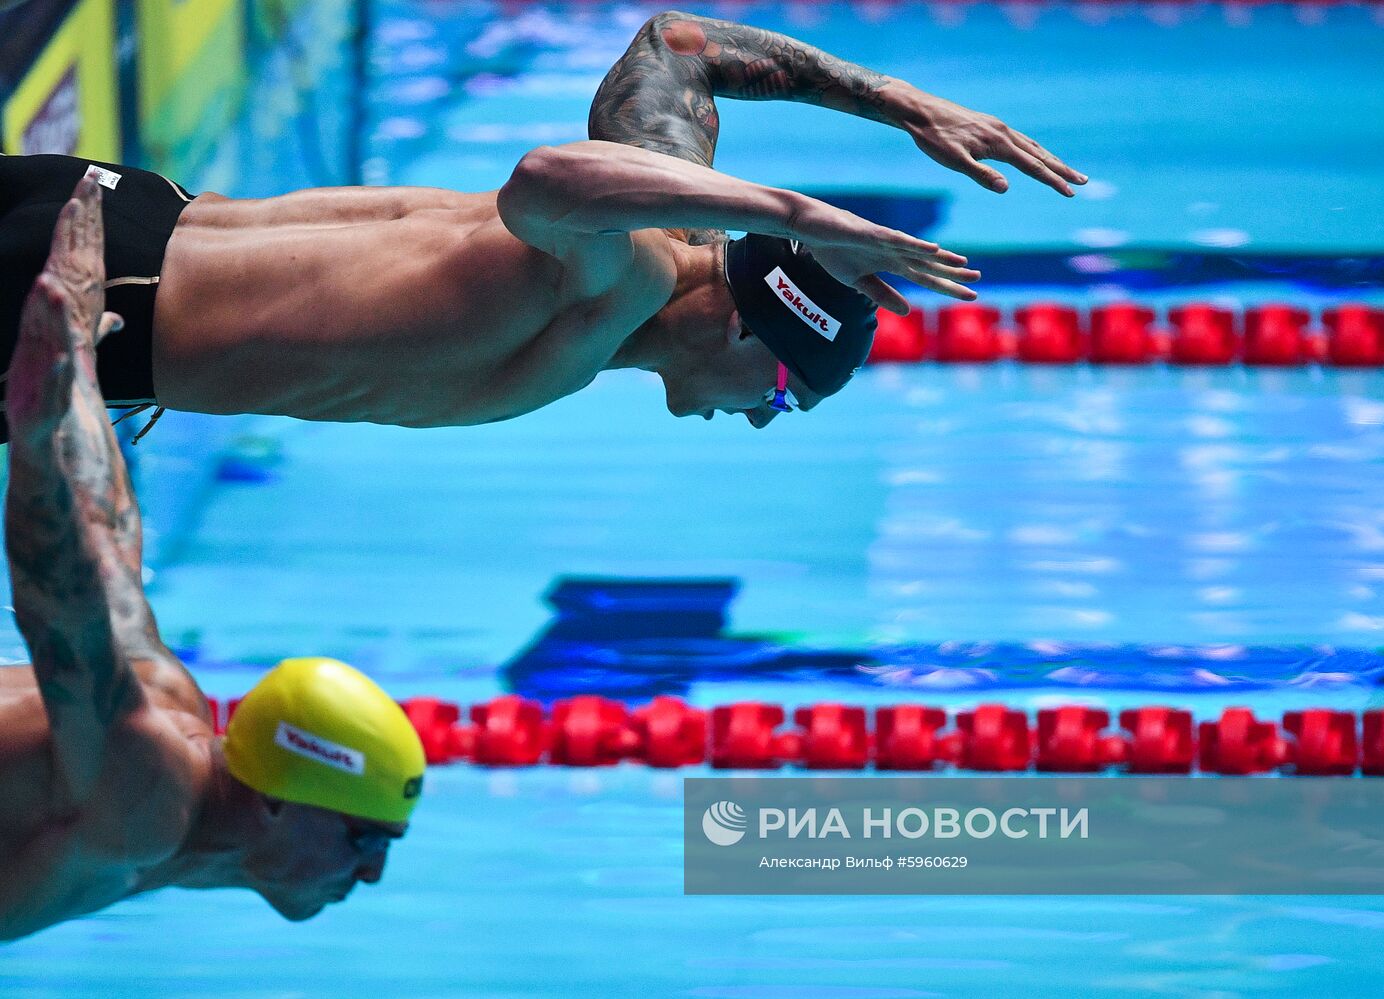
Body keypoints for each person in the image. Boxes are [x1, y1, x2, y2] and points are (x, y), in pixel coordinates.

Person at [0, 12, 1085, 444]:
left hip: (112, 208)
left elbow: (680, 48)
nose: (761, 418)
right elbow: (542, 179)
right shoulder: (619, 283)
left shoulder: (655, 218)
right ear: (753, 331)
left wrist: (899, 102)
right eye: (785, 392)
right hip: (62, 305)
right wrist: (795, 209)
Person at [0, 178, 427, 941]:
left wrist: (77, 390)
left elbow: (107, 540)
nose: (370, 874)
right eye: (363, 838)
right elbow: (63, 619)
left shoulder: (172, 715)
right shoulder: (150, 797)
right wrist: (33, 441)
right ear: (277, 799)